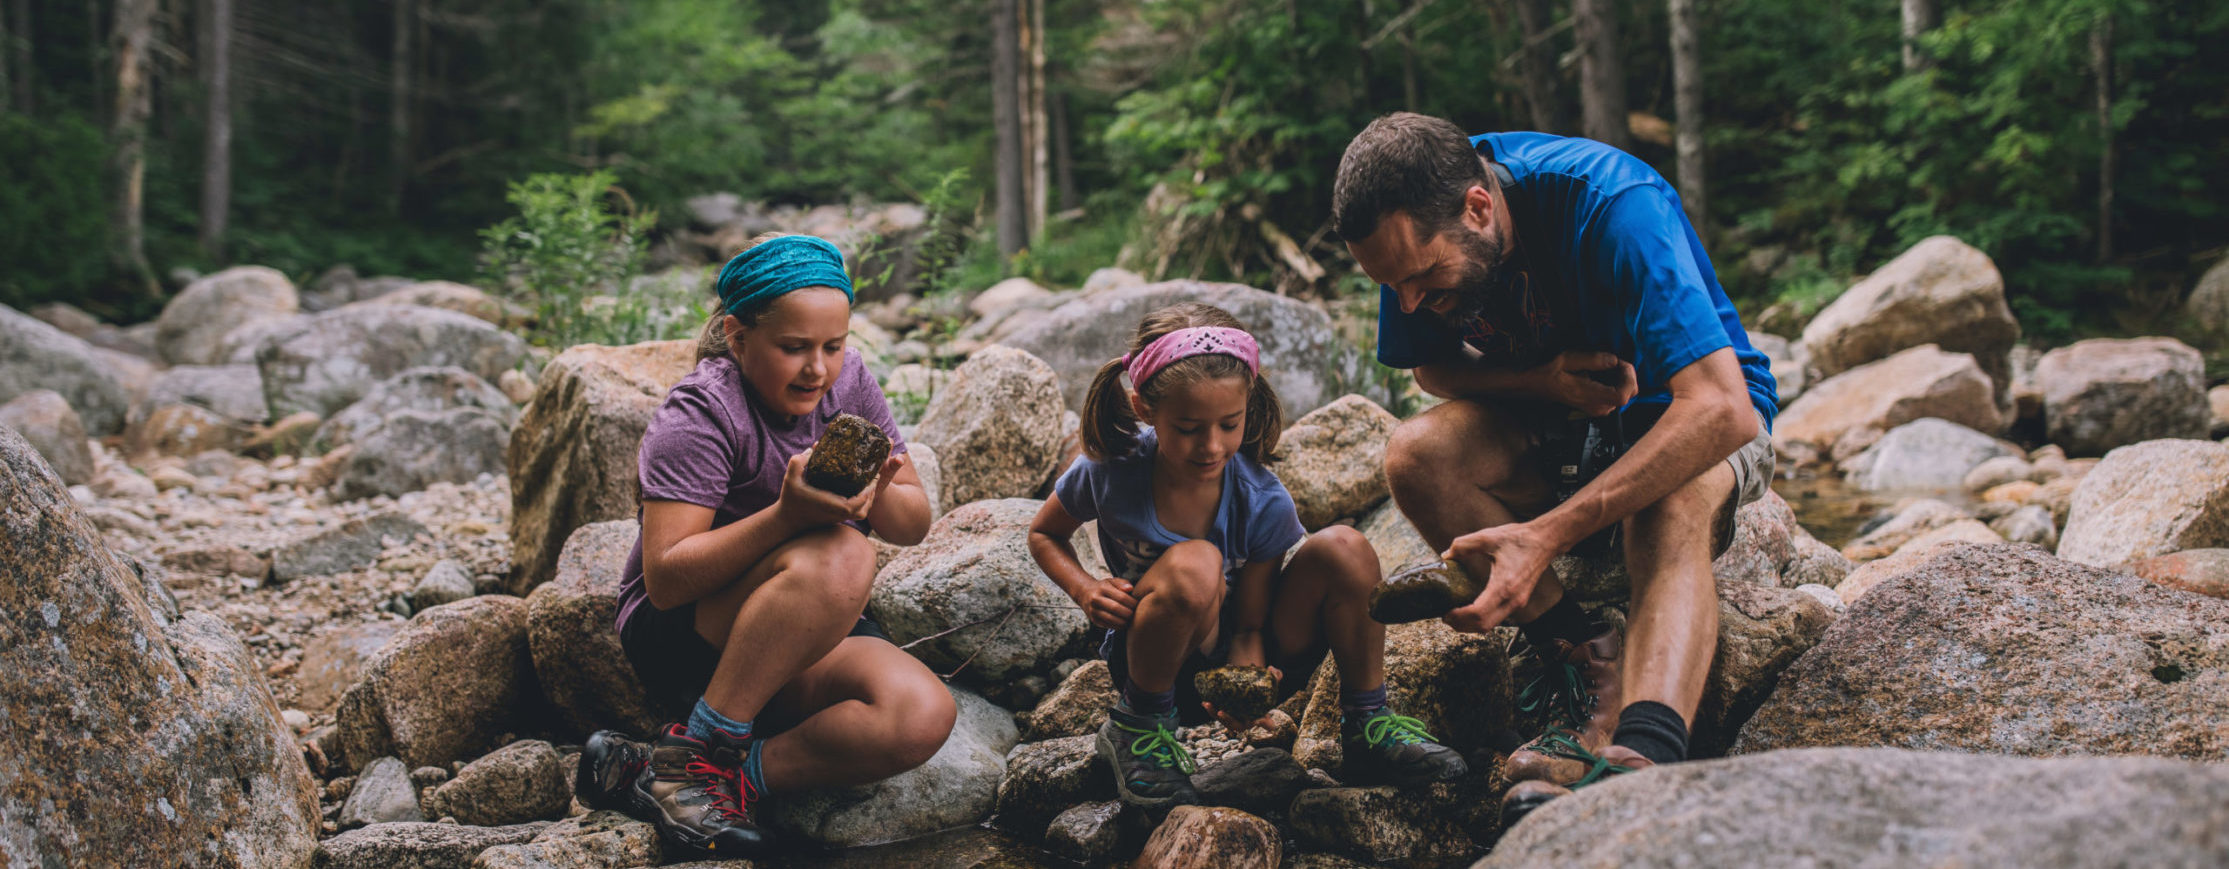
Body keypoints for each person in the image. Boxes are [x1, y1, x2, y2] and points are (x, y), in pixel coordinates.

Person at [1329, 113, 1778, 821]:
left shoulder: (1613, 205)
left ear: (1478, 208)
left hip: (1680, 415)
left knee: (1661, 506)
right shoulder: (1414, 226)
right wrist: (1542, 382)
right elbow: (1431, 368)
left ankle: (1643, 758)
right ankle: (1586, 657)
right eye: (1392, 285)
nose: (1408, 302)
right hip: (1559, 419)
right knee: (1415, 455)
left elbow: (1722, 408)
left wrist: (1545, 535)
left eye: (1420, 280)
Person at [575, 233, 955, 858]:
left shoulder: (848, 383)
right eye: (793, 348)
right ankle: (694, 756)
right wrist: (787, 515)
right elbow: (666, 578)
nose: (818, 369)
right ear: (737, 335)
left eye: (834, 346)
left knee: (919, 715)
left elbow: (913, 525)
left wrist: (878, 488)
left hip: (808, 616)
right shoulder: (702, 410)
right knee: (844, 552)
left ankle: (711, 773)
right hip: (685, 633)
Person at [1027, 302, 1468, 809]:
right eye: (1189, 428)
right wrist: (1084, 589)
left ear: (1247, 407)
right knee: (1198, 563)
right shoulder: (1110, 470)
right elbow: (1045, 534)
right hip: (1154, 661)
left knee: (1345, 547)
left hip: (1241, 654)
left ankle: (1367, 723)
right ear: (1144, 409)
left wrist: (1249, 678)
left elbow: (1251, 622)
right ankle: (1135, 728)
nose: (1212, 446)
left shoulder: (1260, 497)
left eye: (1229, 425)